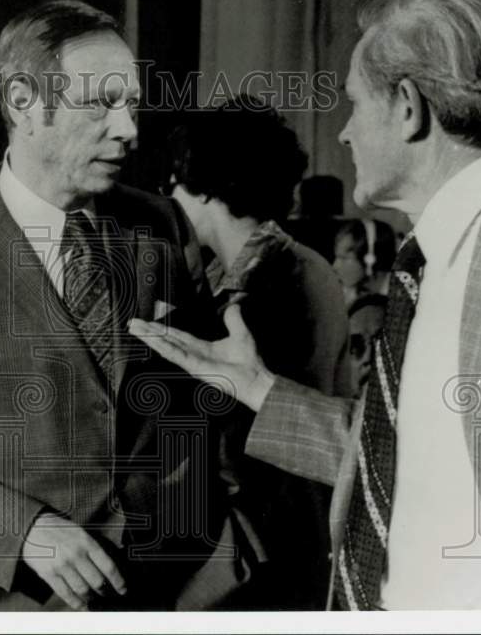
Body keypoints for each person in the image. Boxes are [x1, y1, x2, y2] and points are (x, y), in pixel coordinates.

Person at [130, 0, 481, 610]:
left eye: (356, 105)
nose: (343, 134)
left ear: (409, 108)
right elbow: (400, 459)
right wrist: (257, 388)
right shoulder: (428, 261)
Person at [0, 0, 260, 611]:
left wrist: (220, 511)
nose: (129, 128)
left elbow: (211, 388)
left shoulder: (161, 223)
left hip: (188, 588)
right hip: (33, 600)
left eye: (130, 102)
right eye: (101, 102)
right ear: (23, 102)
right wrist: (25, 531)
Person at [165, 98, 351, 608]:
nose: (170, 197)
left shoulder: (279, 280)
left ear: (205, 187)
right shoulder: (275, 267)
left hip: (270, 549)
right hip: (270, 539)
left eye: (176, 183)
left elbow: (263, 437)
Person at [331, 218, 397, 307]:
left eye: (344, 258)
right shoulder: (348, 294)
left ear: (370, 259)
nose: (335, 266)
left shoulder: (400, 297)